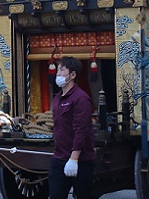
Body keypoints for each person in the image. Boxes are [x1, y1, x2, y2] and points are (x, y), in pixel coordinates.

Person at [49, 57, 95, 199]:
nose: (58, 74)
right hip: (59, 157)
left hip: (80, 161)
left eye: (62, 70)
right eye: (58, 70)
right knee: (55, 195)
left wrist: (74, 159)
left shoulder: (81, 98)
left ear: (72, 75)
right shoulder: (57, 98)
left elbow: (81, 130)